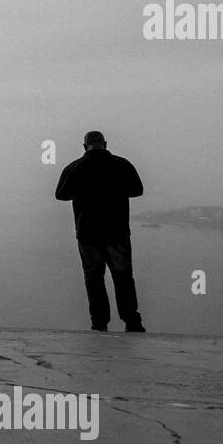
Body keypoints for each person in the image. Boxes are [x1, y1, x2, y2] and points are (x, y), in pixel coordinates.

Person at [55, 131, 146, 332]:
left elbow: (61, 194)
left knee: (94, 277)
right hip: (117, 231)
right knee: (123, 277)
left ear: (84, 146)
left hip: (88, 232)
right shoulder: (122, 165)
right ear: (105, 143)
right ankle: (132, 321)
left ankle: (99, 322)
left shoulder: (74, 168)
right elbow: (137, 190)